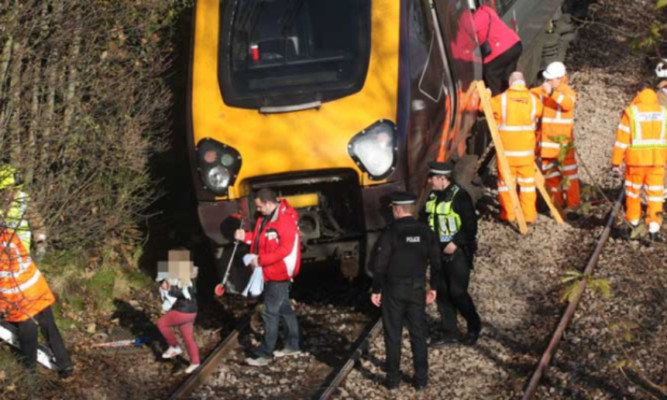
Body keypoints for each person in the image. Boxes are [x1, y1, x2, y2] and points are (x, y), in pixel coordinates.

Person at [371, 191, 441, 391]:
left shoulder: (391, 232)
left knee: (393, 334)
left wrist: (376, 288)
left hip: (394, 289)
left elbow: (380, 264)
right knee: (418, 334)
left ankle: (393, 380)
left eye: (393, 208)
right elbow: (436, 262)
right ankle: (421, 380)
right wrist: (433, 287)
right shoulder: (426, 231)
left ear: (398, 209)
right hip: (417, 288)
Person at [234, 188, 301, 366]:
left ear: (269, 204)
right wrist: (246, 238)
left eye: (260, 206)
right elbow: (260, 240)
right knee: (284, 308)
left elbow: (285, 249)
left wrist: (261, 260)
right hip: (270, 270)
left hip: (278, 272)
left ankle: (265, 353)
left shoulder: (284, 221)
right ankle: (292, 344)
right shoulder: (265, 218)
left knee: (269, 312)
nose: (258, 209)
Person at [0, 227, 73, 378]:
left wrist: (3, 310)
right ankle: (65, 364)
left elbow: (4, 284)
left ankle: (30, 373)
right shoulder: (8, 234)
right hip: (37, 288)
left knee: (27, 337)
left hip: (20, 298)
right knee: (50, 328)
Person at [423, 161, 481, 347]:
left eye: (432, 178)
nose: (430, 181)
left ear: (442, 178)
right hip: (437, 253)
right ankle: (450, 332)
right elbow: (426, 221)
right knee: (442, 292)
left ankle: (474, 326)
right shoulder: (433, 196)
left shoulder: (460, 196)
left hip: (457, 253)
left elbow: (471, 226)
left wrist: (455, 243)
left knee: (457, 292)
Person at [611, 88, 667, 242]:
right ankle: (654, 228)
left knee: (633, 193)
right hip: (657, 162)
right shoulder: (664, 112)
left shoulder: (631, 113)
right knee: (655, 195)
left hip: (635, 163)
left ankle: (633, 224)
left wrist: (616, 162)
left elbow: (621, 140)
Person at [489, 71, 543, 224]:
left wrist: (486, 94)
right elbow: (540, 111)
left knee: (506, 185)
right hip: (526, 154)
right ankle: (529, 215)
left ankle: (509, 214)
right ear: (524, 83)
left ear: (510, 83)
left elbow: (482, 107)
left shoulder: (502, 100)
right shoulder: (533, 101)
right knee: (527, 186)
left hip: (506, 153)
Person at [532, 61, 580, 215]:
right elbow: (531, 94)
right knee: (552, 177)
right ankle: (557, 204)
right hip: (547, 145)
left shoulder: (568, 93)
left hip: (563, 145)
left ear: (559, 78)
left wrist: (551, 94)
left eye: (550, 79)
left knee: (569, 176)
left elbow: (567, 104)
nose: (546, 82)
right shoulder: (545, 90)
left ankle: (573, 205)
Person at [156, 257, 200, 374]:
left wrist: (164, 308)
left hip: (183, 311)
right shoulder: (186, 277)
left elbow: (170, 300)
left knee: (161, 323)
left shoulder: (171, 283)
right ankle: (195, 362)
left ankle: (174, 346)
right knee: (188, 337)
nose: (161, 284)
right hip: (193, 311)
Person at [472, 0, 523, 95]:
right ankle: (516, 98)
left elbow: (463, 42)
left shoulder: (474, 21)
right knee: (508, 77)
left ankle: (498, 100)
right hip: (515, 45)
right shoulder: (487, 10)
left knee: (490, 73)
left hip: (501, 51)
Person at [0, 165, 47, 261]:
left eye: (12, 189)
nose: (9, 193)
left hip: (21, 255)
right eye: (4, 190)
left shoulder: (24, 201)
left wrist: (40, 243)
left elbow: (37, 223)